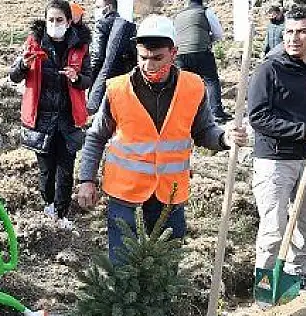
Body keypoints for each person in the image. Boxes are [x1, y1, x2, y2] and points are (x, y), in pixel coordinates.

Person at [77, 15, 247, 263]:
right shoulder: (117, 89)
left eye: (158, 58)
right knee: (122, 265)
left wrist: (224, 139)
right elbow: (96, 136)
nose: (149, 65)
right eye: (143, 57)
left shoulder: (193, 87)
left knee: (166, 267)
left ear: (174, 53)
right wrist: (86, 179)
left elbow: (204, 131)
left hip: (170, 193)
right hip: (125, 192)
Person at [248, 6, 306, 290]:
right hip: (275, 159)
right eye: (289, 31)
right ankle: (265, 286)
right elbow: (258, 117)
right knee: (273, 228)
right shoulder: (269, 69)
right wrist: (304, 132)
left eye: (301, 32)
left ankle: (294, 281)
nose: (293, 38)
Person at [9, 0, 92, 229]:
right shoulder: (34, 43)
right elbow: (14, 76)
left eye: (59, 20)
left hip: (68, 119)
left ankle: (63, 214)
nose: (54, 24)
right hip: (41, 120)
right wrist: (24, 66)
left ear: (68, 22)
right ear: (45, 21)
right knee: (46, 170)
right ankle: (48, 206)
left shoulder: (80, 47)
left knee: (65, 172)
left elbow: (89, 78)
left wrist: (76, 78)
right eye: (51, 20)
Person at [173, 0, 232, 123]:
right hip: (200, 51)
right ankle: (216, 113)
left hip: (180, 54)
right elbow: (219, 34)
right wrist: (208, 39)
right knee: (211, 81)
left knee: (184, 84)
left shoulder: (178, 15)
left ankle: (186, 115)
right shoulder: (205, 11)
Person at [87, 0, 137, 114]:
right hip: (121, 79)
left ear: (108, 8)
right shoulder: (128, 27)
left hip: (103, 77)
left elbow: (97, 56)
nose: (96, 10)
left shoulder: (101, 24)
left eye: (98, 7)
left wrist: (90, 79)